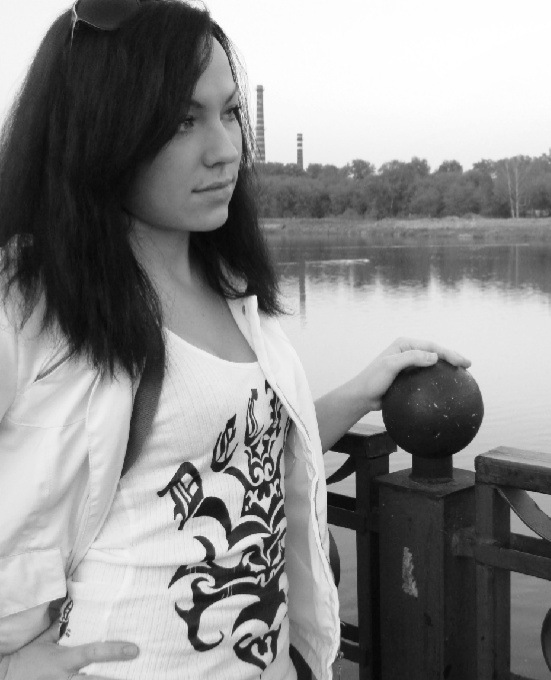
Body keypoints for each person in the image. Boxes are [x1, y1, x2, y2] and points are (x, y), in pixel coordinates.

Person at [0, 1, 470, 679]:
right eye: (181, 121)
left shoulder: (225, 283)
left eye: (229, 113)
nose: (224, 150)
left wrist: (363, 389)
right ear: (102, 129)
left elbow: (242, 458)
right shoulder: (32, 298)